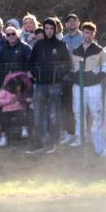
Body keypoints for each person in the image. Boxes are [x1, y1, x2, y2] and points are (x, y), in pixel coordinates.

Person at [26, 18, 72, 155]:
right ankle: (38, 145)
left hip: (54, 85)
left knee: (53, 116)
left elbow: (68, 65)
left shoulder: (61, 45)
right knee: (37, 115)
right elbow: (30, 62)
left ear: (56, 29)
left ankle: (53, 144)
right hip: (39, 85)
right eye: (46, 28)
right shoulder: (38, 45)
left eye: (52, 28)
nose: (49, 31)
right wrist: (35, 73)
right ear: (43, 29)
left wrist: (58, 74)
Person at [70, 22, 106, 152]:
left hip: (94, 87)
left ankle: (98, 143)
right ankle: (80, 139)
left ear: (94, 34)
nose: (89, 35)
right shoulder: (75, 50)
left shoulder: (100, 50)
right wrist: (74, 77)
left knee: (96, 113)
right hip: (78, 86)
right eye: (86, 32)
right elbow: (71, 68)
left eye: (91, 33)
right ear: (83, 33)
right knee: (78, 113)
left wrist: (96, 77)